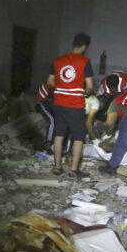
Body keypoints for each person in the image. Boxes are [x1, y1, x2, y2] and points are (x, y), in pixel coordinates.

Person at [46, 32, 94, 179]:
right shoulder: (84, 61)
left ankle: (57, 167)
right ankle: (73, 170)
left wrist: (62, 89)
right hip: (74, 105)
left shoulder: (58, 60)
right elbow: (90, 86)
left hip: (59, 103)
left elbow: (49, 82)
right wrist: (83, 93)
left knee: (59, 135)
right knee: (78, 138)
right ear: (84, 46)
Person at [87, 71, 127, 140]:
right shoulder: (103, 85)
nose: (112, 90)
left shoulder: (126, 83)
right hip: (114, 93)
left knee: (121, 112)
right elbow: (98, 97)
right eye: (111, 89)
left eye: (114, 89)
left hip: (126, 94)